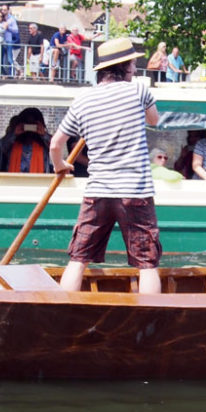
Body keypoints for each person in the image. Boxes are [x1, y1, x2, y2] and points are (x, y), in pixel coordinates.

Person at [49, 37, 162, 294]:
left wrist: (61, 166)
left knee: (78, 259)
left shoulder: (83, 100)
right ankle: (150, 322)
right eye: (133, 62)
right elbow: (154, 120)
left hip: (98, 191)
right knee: (147, 263)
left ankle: (62, 312)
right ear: (125, 66)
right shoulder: (139, 91)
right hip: (134, 191)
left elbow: (56, 145)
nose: (135, 66)